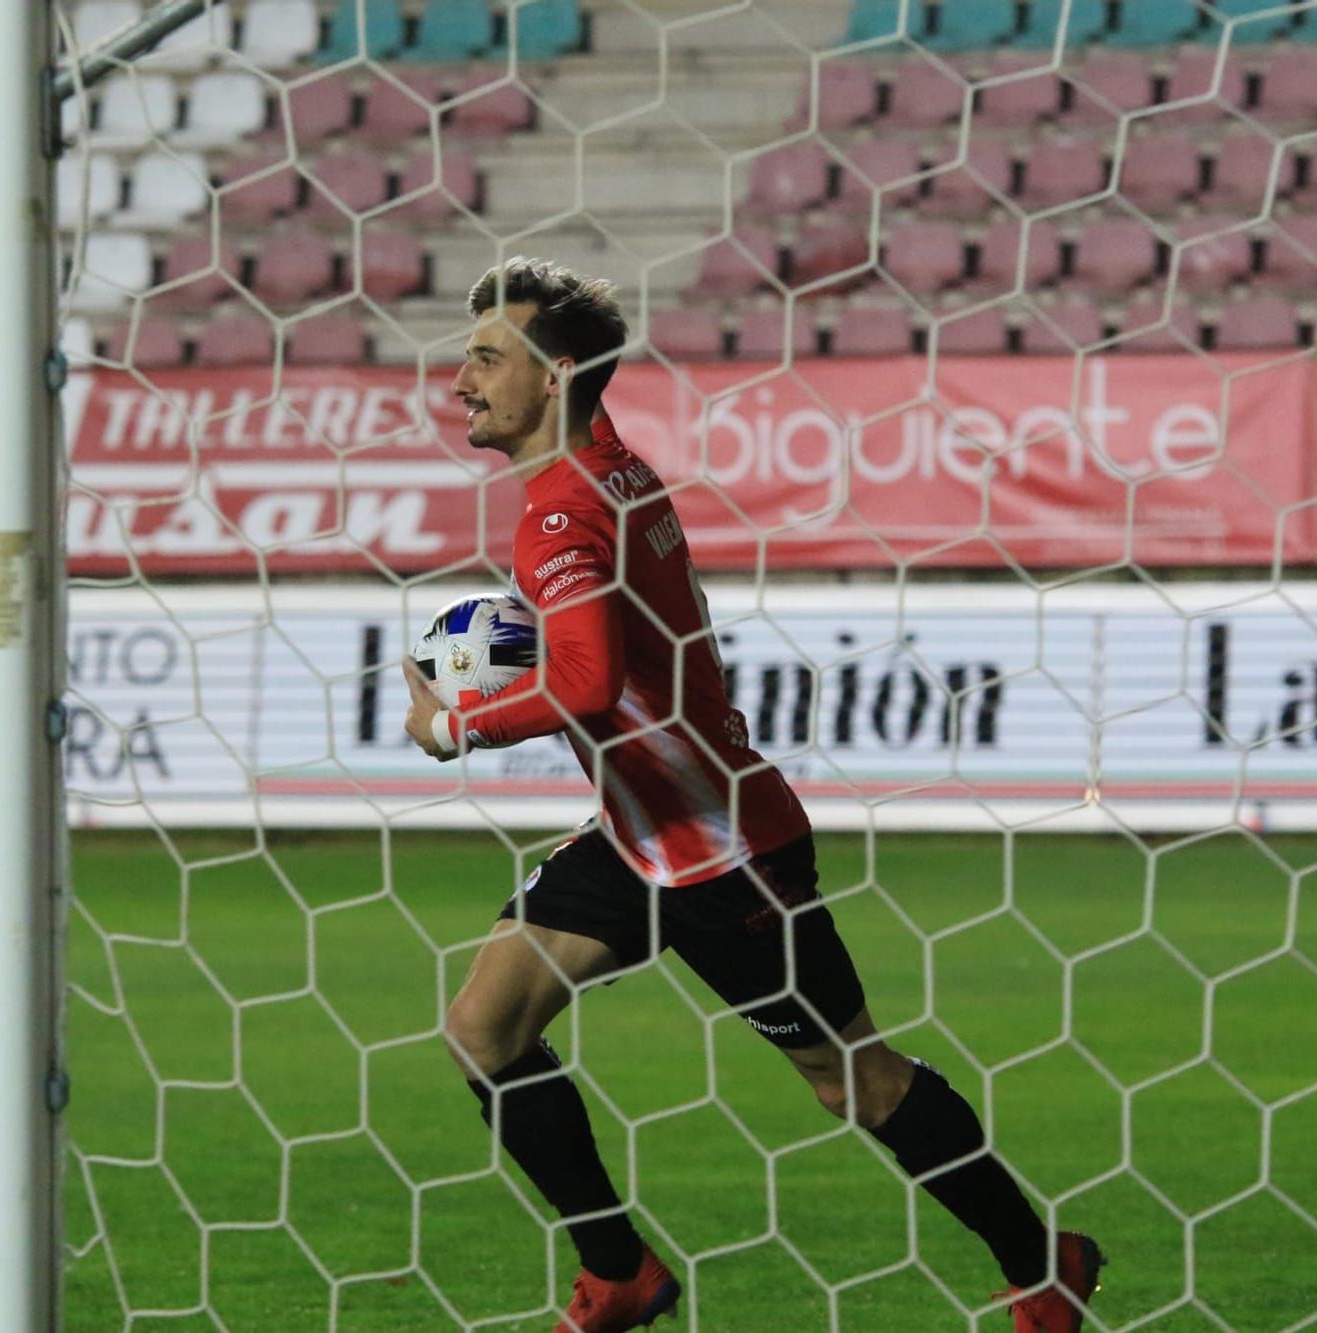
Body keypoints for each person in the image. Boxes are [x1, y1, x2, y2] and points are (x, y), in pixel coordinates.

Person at [401, 257, 1104, 1333]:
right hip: (639, 839)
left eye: (488, 357)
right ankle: (619, 1271)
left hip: (721, 856)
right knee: (483, 1028)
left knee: (853, 1083)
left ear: (559, 375)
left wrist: (457, 721)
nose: (460, 378)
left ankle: (1037, 1263)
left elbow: (585, 681)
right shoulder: (609, 473)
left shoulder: (560, 514)